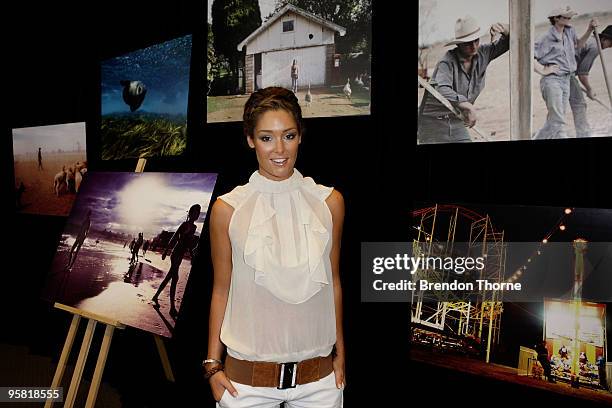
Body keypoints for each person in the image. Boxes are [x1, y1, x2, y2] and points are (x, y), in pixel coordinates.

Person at [205, 87, 345, 407]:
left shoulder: (330, 202)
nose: (279, 149)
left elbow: (334, 282)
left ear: (300, 136)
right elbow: (220, 290)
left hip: (320, 382)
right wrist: (212, 365)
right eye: (267, 137)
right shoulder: (228, 209)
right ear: (250, 139)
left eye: (289, 135)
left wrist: (341, 356)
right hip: (246, 385)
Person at [418, 15, 509, 144]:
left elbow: (513, 39)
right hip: (432, 122)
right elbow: (443, 88)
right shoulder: (447, 61)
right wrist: (468, 106)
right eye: (467, 43)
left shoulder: (484, 53)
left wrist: (503, 28)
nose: (473, 46)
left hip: (456, 119)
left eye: (476, 40)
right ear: (459, 45)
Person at [533, 6, 598, 139]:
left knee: (555, 121)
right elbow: (529, 56)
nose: (569, 19)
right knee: (558, 121)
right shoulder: (546, 37)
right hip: (552, 81)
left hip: (566, 79)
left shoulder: (570, 31)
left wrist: (589, 29)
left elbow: (578, 44)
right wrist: (543, 70)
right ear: (556, 19)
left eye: (570, 17)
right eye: (566, 17)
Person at [152, 204, 201, 317]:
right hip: (175, 253)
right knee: (175, 278)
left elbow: (188, 243)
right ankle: (172, 308)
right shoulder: (184, 225)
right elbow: (174, 237)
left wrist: (192, 254)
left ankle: (156, 296)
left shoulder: (194, 228)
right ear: (190, 213)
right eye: (195, 212)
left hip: (181, 254)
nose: (197, 215)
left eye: (198, 213)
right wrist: (165, 251)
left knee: (169, 277)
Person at [569, 25, 612, 138]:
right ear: (603, 39)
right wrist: (589, 89)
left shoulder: (590, 41)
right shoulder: (595, 47)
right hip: (565, 73)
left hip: (566, 72)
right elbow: (582, 75)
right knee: (579, 103)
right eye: (611, 43)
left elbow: (579, 71)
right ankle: (584, 134)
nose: (611, 47)